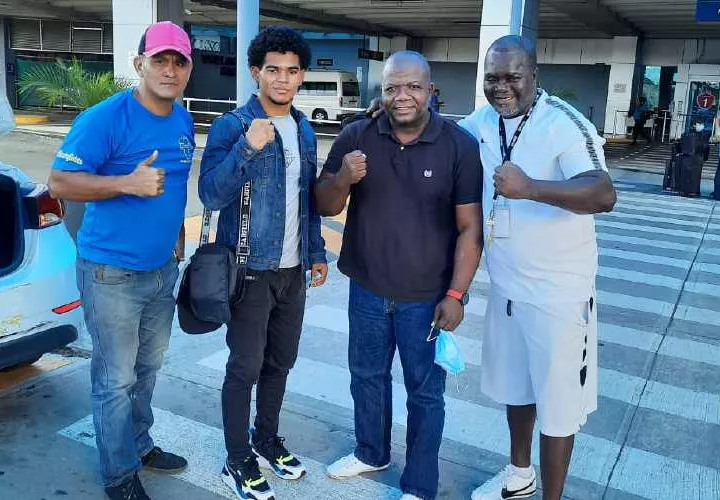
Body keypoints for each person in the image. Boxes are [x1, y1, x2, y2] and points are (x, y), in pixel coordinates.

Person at [316, 51, 482, 500]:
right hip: (367, 289)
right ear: (382, 91)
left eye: (412, 86)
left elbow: (470, 228)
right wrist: (344, 178)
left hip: (427, 300)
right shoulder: (357, 135)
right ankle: (372, 451)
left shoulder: (459, 146)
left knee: (425, 395)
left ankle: (420, 484)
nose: (402, 96)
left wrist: (457, 294)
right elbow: (325, 205)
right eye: (392, 88)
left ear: (430, 90)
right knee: (366, 376)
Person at [457, 35, 616, 500]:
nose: (501, 86)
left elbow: (602, 193)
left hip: (558, 295)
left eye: (512, 77)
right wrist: (385, 120)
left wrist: (531, 189)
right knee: (517, 386)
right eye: (492, 77)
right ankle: (519, 475)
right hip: (507, 288)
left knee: (559, 404)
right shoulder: (482, 121)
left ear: (534, 77)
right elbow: (439, 140)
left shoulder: (564, 124)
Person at [48, 21, 194, 500]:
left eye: (179, 61)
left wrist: (175, 234)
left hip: (160, 272)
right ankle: (118, 473)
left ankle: (138, 443)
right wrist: (126, 184)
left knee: (147, 370)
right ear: (139, 64)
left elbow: (170, 182)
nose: (170, 70)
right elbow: (61, 183)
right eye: (160, 60)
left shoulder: (183, 119)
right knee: (115, 379)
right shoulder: (105, 119)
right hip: (111, 273)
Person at [198, 26, 328, 500]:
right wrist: (249, 146)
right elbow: (210, 193)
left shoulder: (306, 128)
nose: (282, 79)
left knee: (281, 363)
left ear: (301, 76)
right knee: (244, 367)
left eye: (292, 71)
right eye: (273, 69)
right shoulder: (233, 126)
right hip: (249, 268)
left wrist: (315, 253)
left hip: (292, 272)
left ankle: (267, 439)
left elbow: (307, 201)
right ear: (256, 72)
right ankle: (238, 458)